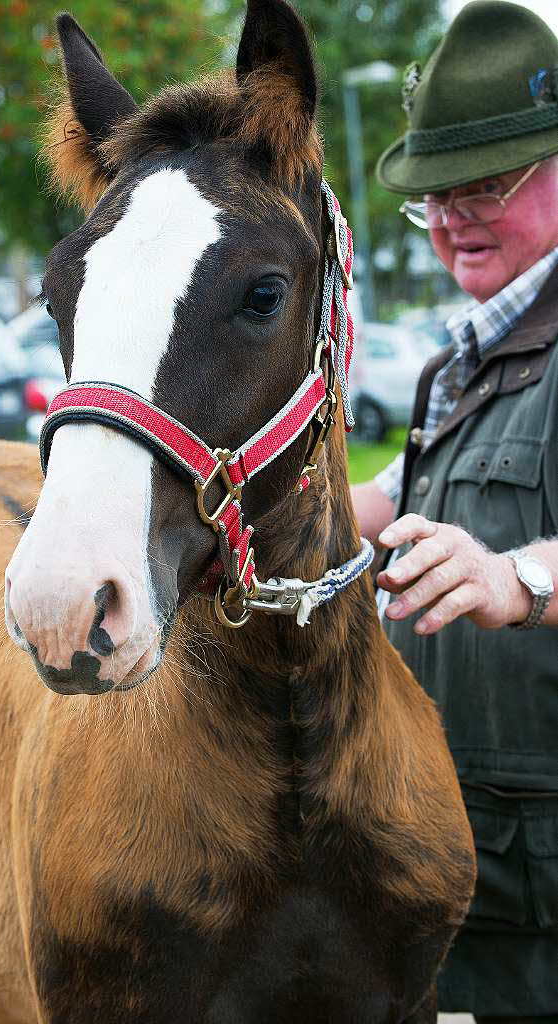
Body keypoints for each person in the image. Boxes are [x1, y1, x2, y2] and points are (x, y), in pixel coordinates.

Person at [351, 2, 558, 1021]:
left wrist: (514, 576)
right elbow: (378, 507)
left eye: (488, 184)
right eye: (435, 194)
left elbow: (500, 564)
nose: (450, 218)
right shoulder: (456, 357)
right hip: (459, 868)